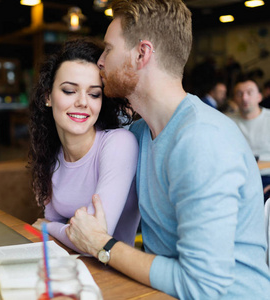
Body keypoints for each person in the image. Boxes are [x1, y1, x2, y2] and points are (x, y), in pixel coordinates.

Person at [66, 1, 270, 299]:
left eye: (108, 49)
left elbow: (203, 286)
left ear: (141, 54)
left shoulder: (201, 140)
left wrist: (103, 245)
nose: (100, 62)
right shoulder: (139, 134)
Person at [28, 38, 140, 253]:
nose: (82, 102)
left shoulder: (118, 144)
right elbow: (54, 227)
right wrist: (52, 227)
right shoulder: (50, 153)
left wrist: (48, 227)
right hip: (70, 268)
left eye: (94, 93)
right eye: (69, 91)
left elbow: (95, 239)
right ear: (48, 97)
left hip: (115, 276)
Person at [228, 79, 270, 201]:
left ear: (259, 97)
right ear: (234, 99)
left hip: (266, 176)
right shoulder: (226, 121)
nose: (244, 98)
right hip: (238, 176)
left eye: (249, 93)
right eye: (239, 94)